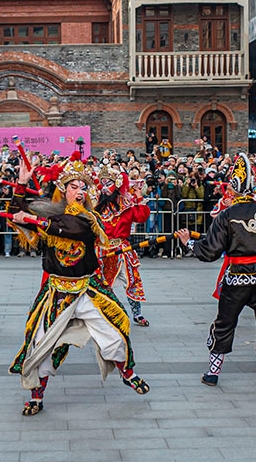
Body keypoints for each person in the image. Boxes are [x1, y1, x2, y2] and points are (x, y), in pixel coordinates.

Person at [8, 155, 150, 415]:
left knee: (114, 332)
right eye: (74, 186)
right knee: (41, 343)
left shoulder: (88, 219)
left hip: (87, 288)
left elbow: (71, 229)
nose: (80, 191)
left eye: (83, 187)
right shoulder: (50, 214)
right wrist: (21, 185)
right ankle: (37, 396)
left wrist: (32, 220)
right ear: (63, 191)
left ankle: (127, 372)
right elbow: (16, 216)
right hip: (57, 291)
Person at [177, 153, 256, 392]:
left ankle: (212, 373)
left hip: (237, 277)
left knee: (225, 323)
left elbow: (210, 251)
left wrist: (188, 243)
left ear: (233, 190)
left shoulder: (226, 215)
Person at [95, 164, 152, 326]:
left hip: (122, 248)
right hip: (100, 249)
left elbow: (141, 216)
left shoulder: (126, 203)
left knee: (132, 280)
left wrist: (139, 196)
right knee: (100, 283)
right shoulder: (95, 204)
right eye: (103, 184)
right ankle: (102, 311)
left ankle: (137, 313)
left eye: (108, 184)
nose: (104, 188)